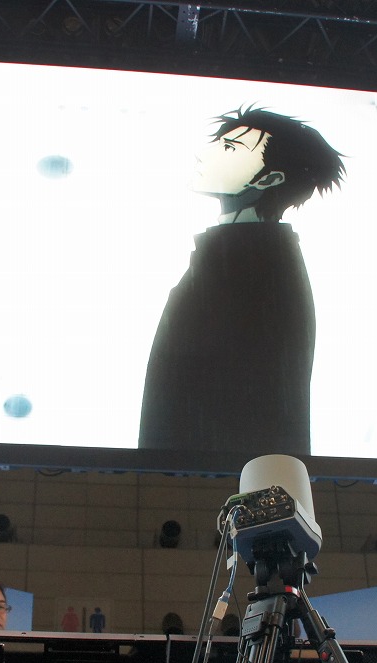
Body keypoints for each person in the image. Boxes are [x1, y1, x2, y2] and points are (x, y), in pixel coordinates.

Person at [138, 106, 345, 457]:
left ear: (268, 179)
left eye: (230, 147)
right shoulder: (241, 254)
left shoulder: (258, 266)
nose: (205, 153)